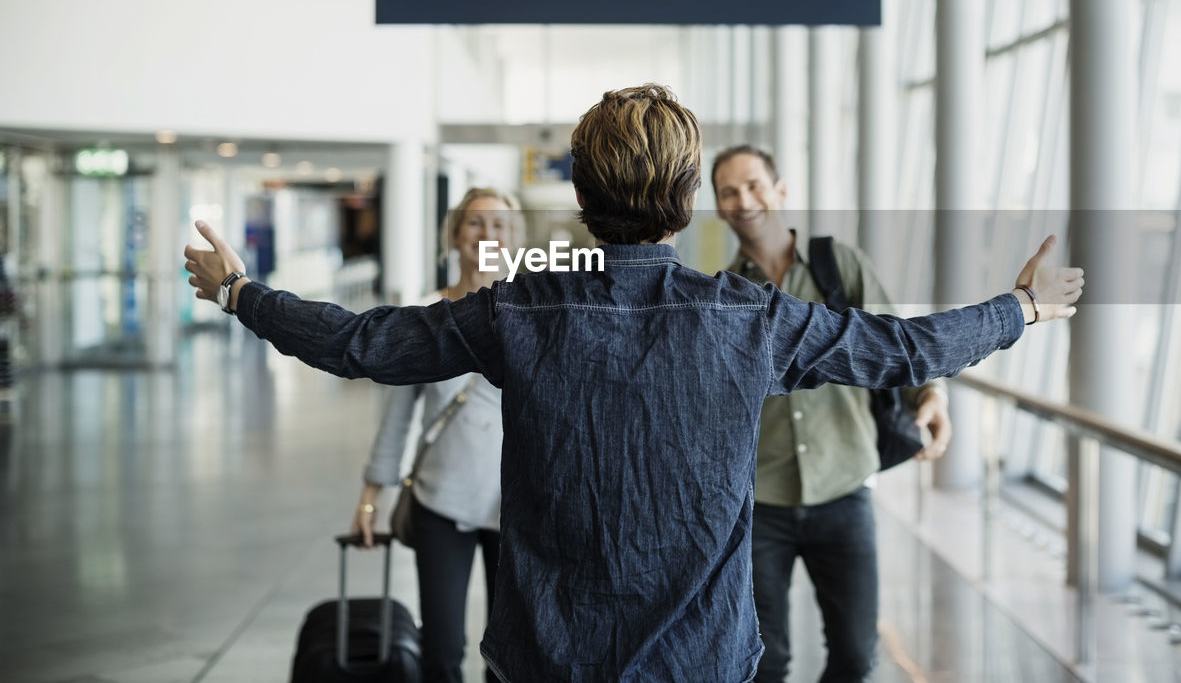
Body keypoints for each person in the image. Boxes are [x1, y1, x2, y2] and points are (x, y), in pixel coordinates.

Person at [184, 84, 1083, 683]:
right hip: (702, 658)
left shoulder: (518, 311)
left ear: (581, 192)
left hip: (546, 655)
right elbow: (901, 349)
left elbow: (362, 342)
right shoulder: (751, 319)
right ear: (690, 194)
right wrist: (1021, 308)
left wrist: (240, 292)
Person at [712, 144, 947, 682]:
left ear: (781, 191)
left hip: (843, 487)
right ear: (720, 206)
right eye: (729, 191)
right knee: (762, 661)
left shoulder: (839, 265)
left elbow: (896, 344)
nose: (744, 199)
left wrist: (930, 397)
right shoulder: (725, 294)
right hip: (761, 500)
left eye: (754, 185)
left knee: (854, 654)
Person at [352, 187, 521, 683]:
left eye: (500, 225)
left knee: (509, 656)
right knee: (441, 650)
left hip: (513, 507)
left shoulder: (534, 314)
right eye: (475, 223)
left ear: (516, 239)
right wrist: (369, 499)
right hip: (439, 500)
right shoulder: (425, 315)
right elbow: (397, 417)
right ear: (453, 235)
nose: (487, 234)